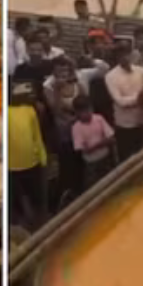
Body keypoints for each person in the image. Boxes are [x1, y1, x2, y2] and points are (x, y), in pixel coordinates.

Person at [8, 81, 49, 231]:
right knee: (18, 198)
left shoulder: (29, 111)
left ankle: (39, 224)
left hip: (32, 162)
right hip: (12, 166)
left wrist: (43, 157)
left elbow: (37, 136)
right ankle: (24, 225)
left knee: (35, 196)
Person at [46, 57, 87, 201]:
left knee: (81, 162)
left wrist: (76, 115)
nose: (63, 73)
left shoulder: (78, 84)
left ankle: (82, 192)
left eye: (65, 70)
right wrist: (57, 90)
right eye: (59, 70)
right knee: (67, 165)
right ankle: (67, 196)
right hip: (64, 133)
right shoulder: (49, 87)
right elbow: (56, 110)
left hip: (80, 129)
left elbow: (85, 104)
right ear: (54, 72)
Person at [105, 44, 143, 161]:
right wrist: (141, 97)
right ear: (116, 57)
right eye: (121, 55)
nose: (124, 57)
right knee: (126, 159)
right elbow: (120, 101)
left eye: (126, 54)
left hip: (142, 121)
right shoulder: (110, 76)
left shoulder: (141, 71)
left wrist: (135, 99)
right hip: (124, 125)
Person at [72, 95, 118, 189]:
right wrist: (101, 143)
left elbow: (111, 138)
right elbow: (83, 150)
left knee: (111, 183)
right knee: (94, 187)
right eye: (83, 112)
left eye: (88, 110)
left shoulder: (99, 119)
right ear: (77, 113)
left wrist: (94, 146)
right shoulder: (76, 127)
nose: (87, 114)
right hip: (91, 163)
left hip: (105, 158)